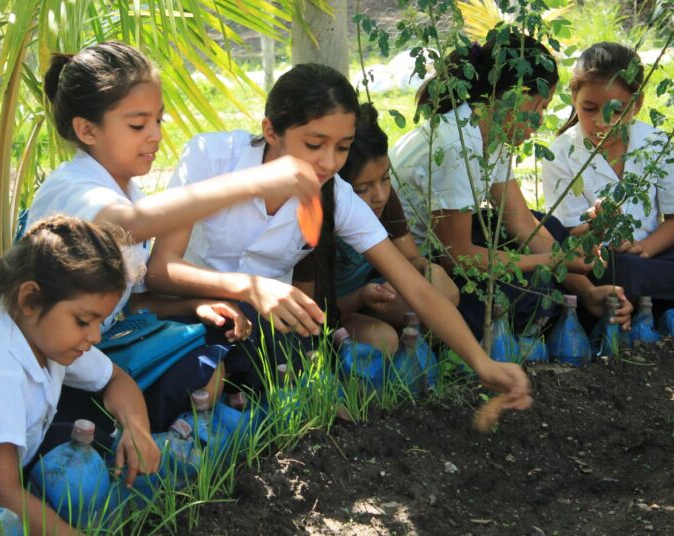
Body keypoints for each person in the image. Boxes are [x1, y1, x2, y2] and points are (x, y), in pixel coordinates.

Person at [147, 63, 532, 409]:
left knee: (301, 371)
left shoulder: (336, 195)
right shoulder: (212, 158)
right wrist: (249, 288)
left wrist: (483, 364)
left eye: (342, 148)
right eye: (314, 145)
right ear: (271, 130)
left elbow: (416, 288)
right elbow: (160, 270)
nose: (329, 163)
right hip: (186, 316)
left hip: (266, 332)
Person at [30, 42, 323, 426]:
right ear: (87, 130)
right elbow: (129, 223)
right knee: (200, 372)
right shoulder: (72, 187)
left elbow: (125, 308)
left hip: (103, 347)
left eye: (159, 121)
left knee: (241, 331)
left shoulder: (127, 190)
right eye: (138, 125)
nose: (155, 136)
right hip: (57, 367)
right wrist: (253, 181)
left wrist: (193, 305)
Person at [390, 30, 633, 341]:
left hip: (445, 250)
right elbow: (458, 258)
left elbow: (520, 222)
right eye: (540, 107)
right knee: (531, 291)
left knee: (551, 229)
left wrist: (584, 288)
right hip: (412, 265)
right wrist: (554, 261)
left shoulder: (493, 133)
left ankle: (572, 304)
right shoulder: (455, 143)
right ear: (512, 97)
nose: (543, 119)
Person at [0, 216, 160, 535]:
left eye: (98, 322)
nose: (95, 336)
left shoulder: (43, 334)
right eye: (83, 321)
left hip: (5, 460)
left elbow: (116, 379)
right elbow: (0, 491)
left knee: (93, 445)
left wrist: (137, 429)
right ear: (30, 299)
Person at [292, 102, 459, 353]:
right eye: (362, 189)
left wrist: (426, 268)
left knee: (441, 292)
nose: (379, 195)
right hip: (329, 313)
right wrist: (360, 297)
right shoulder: (316, 220)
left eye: (385, 179)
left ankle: (429, 361)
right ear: (339, 187)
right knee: (383, 340)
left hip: (371, 295)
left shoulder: (384, 201)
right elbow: (313, 309)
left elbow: (411, 257)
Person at [542, 42, 674, 306]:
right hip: (600, 260)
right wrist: (596, 227)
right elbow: (566, 234)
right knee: (614, 271)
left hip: (653, 252)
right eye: (589, 109)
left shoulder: (657, 144)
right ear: (574, 100)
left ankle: (645, 298)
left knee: (633, 269)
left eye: (616, 111)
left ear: (636, 105)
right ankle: (648, 300)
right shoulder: (561, 153)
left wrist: (642, 249)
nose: (602, 122)